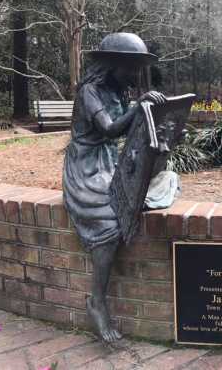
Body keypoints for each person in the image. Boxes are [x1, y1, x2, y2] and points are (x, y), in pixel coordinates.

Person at [62, 33, 166, 342]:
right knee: (110, 220)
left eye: (137, 68)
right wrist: (140, 106)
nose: (135, 75)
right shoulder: (89, 92)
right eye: (130, 67)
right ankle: (97, 301)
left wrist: (158, 123)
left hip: (108, 163)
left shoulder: (120, 93)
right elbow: (109, 129)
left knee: (158, 184)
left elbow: (127, 134)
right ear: (112, 65)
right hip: (86, 168)